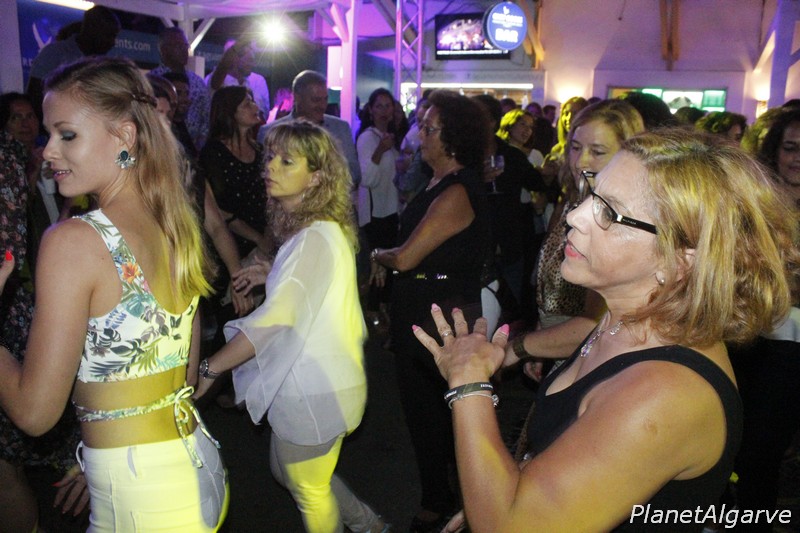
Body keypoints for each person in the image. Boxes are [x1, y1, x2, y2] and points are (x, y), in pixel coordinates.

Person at [413, 127, 799, 532]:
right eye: (593, 194)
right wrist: (504, 483)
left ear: (681, 260)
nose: (575, 217)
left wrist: (469, 382)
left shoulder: (665, 392)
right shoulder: (622, 319)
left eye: (610, 213)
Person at [0, 57, 228, 531]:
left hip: (143, 498)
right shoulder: (172, 221)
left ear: (124, 136)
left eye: (67, 135)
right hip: (195, 467)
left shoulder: (73, 242)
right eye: (48, 134)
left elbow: (35, 413)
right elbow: (181, 377)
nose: (48, 151)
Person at [194, 120, 389, 533]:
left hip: (316, 391)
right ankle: (368, 524)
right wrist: (275, 274)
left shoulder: (313, 238)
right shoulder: (317, 231)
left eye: (287, 161)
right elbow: (312, 288)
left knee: (308, 488)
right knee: (290, 473)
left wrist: (212, 367)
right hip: (320, 381)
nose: (270, 166)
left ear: (316, 177)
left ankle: (367, 524)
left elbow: (276, 319)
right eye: (270, 157)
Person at [370, 90, 492, 533]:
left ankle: (444, 503)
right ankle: (447, 496)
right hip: (426, 304)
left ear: (453, 137)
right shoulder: (439, 182)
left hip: (440, 311)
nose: (420, 134)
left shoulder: (458, 190)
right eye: (421, 125)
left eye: (429, 127)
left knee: (434, 411)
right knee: (428, 410)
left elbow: (406, 257)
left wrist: (378, 254)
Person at [515, 99, 644, 379]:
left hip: (589, 358)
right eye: (575, 147)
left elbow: (594, 324)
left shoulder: (617, 221)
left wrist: (518, 347)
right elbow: (549, 285)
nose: (581, 161)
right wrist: (543, 334)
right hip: (559, 345)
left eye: (597, 151)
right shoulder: (574, 200)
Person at [726, 107, 800, 530]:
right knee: (728, 437)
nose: (797, 157)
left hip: (789, 346)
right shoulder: (755, 200)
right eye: (790, 147)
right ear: (775, 149)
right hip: (742, 333)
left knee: (762, 451)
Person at [199, 86, 270, 259]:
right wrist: (257, 238)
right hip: (228, 243)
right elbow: (218, 208)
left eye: (253, 102)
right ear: (230, 112)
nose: (256, 107)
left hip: (264, 241)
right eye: (247, 104)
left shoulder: (259, 150)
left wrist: (267, 238)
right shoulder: (214, 153)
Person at [259, 70, 361, 188]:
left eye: (325, 99)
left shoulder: (340, 128)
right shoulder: (270, 131)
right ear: (297, 97)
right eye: (316, 100)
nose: (322, 106)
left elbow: (354, 174)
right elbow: (266, 175)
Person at [26, 6, 120, 118]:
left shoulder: (104, 66)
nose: (112, 42)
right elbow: (34, 95)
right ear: (92, 29)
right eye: (109, 35)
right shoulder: (55, 53)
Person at [151, 26, 212, 151]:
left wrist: (199, 146)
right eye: (179, 46)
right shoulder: (152, 80)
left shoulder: (198, 82)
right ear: (164, 50)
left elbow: (206, 117)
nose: (185, 50)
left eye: (186, 46)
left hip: (193, 148)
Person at [207, 40, 271, 121]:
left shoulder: (252, 83)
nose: (253, 64)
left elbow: (263, 115)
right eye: (249, 60)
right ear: (235, 59)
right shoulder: (218, 80)